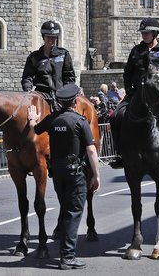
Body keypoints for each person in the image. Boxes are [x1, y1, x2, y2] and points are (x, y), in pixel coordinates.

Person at [27, 83, 100, 270]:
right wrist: (96, 175)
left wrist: (32, 119)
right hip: (75, 173)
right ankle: (67, 257)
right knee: (73, 213)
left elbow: (35, 130)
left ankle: (65, 252)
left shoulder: (52, 119)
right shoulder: (80, 121)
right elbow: (91, 150)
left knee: (67, 209)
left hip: (57, 172)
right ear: (76, 101)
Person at [111, 17, 159, 167]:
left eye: (147, 33)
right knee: (115, 116)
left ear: (154, 34)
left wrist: (158, 81)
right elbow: (127, 73)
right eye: (143, 33)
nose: (144, 36)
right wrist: (129, 90)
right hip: (137, 94)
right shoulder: (136, 51)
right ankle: (119, 153)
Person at [21, 21, 76, 111]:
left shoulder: (64, 54)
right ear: (43, 37)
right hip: (41, 96)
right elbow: (27, 77)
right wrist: (28, 90)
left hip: (61, 96)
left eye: (53, 37)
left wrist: (67, 94)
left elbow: (69, 76)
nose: (51, 39)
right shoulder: (34, 57)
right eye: (48, 37)